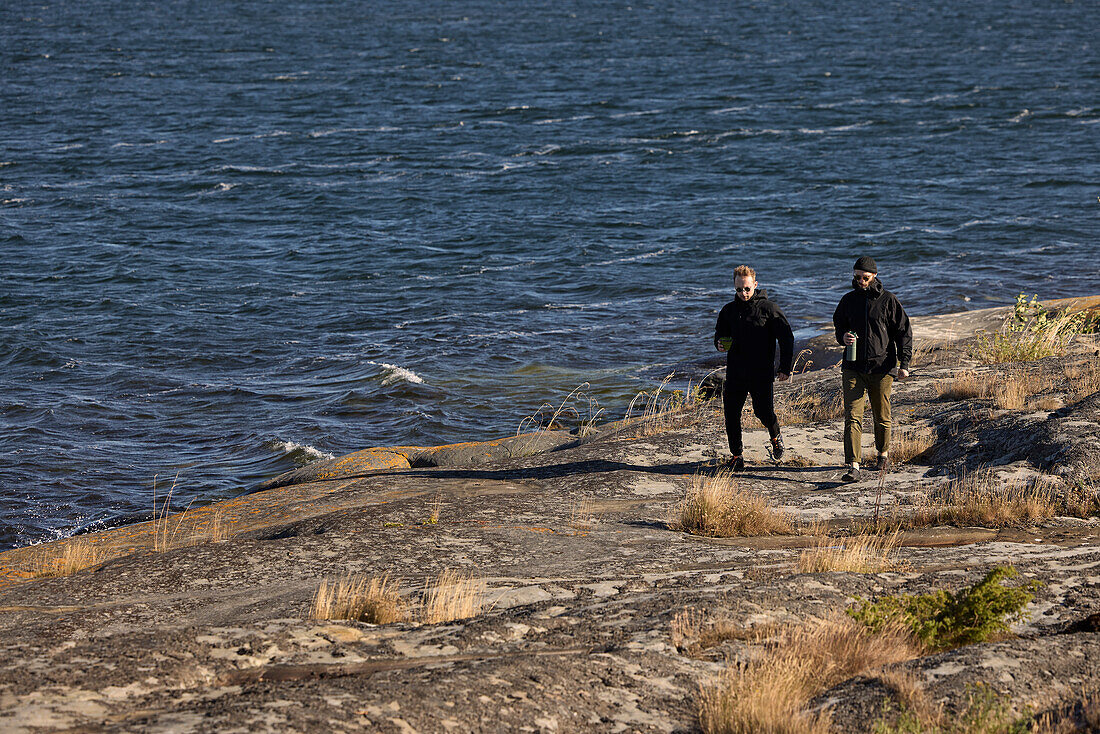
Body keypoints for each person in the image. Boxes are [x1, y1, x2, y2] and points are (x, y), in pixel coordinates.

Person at [832, 256, 913, 482]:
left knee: (881, 416)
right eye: (857, 277)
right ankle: (854, 466)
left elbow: (904, 332)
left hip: (882, 368)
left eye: (865, 277)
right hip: (853, 368)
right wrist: (843, 336)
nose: (860, 281)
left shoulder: (888, 300)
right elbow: (839, 324)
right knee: (852, 417)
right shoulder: (848, 300)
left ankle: (882, 454)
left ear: (874, 276)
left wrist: (904, 364)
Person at [714, 265, 795, 471]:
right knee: (731, 413)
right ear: (734, 286)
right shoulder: (728, 311)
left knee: (763, 412)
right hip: (735, 372)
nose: (743, 293)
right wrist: (719, 344)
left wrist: (785, 367)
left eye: (747, 289)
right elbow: (719, 335)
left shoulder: (768, 308)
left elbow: (786, 337)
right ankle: (737, 455)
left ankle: (775, 435)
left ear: (755, 285)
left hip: (761, 372)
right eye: (739, 289)